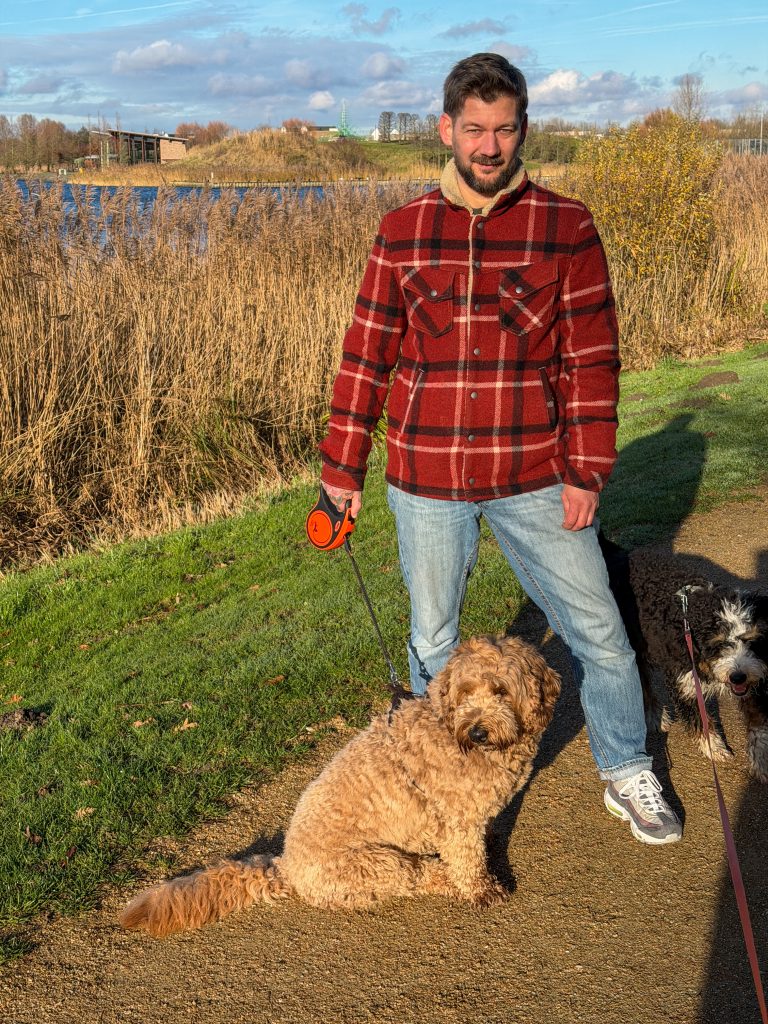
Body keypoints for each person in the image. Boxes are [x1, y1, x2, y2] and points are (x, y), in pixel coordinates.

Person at [318, 52, 681, 845]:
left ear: (523, 131)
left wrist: (587, 471)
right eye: (474, 129)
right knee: (434, 642)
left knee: (600, 632)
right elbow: (366, 355)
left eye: (504, 129)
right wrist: (340, 475)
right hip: (427, 477)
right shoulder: (402, 231)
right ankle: (436, 788)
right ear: (446, 129)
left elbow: (591, 360)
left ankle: (626, 770)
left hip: (534, 474)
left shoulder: (567, 226)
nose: (489, 146)